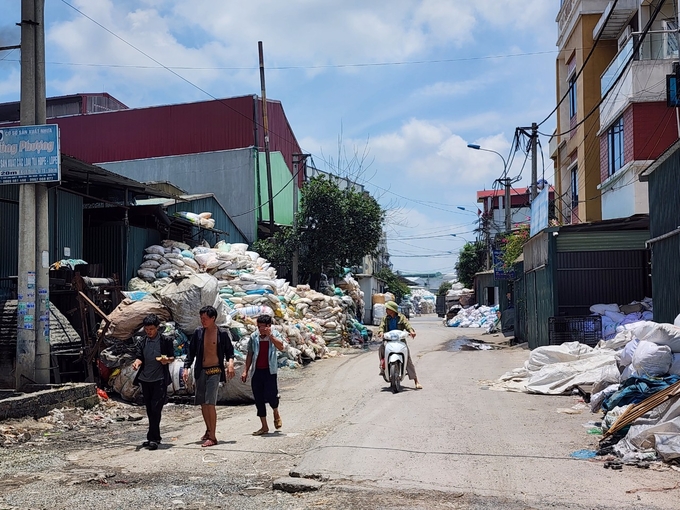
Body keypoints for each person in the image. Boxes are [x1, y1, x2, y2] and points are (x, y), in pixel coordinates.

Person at [182, 305, 236, 447]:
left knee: (210, 403)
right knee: (203, 403)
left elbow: (230, 353)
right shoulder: (198, 333)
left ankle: (212, 437)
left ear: (213, 318)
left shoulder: (222, 334)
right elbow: (191, 352)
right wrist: (186, 368)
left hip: (215, 371)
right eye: (201, 318)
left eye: (205, 318)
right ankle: (208, 429)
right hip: (201, 371)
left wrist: (230, 364)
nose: (202, 321)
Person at [131, 314, 175, 450]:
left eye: (151, 329)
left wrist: (166, 360)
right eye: (147, 329)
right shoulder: (142, 342)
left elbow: (172, 357)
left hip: (160, 379)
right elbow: (139, 357)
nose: (149, 331)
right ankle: (154, 437)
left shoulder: (165, 340)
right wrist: (136, 363)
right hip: (145, 379)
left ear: (157, 328)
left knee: (156, 408)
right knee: (150, 409)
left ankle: (153, 438)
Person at [240, 314, 285, 436]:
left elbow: (281, 347)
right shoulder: (254, 337)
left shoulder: (274, 335)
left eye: (263, 327)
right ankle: (264, 426)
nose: (260, 329)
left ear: (269, 326)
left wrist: (270, 336)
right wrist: (245, 370)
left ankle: (275, 412)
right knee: (258, 398)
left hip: (270, 371)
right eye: (258, 327)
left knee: (271, 396)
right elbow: (250, 354)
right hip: (257, 372)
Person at [377, 300, 422, 390]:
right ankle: (383, 368)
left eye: (388, 308)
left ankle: (416, 381)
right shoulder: (385, 318)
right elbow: (381, 326)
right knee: (381, 350)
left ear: (392, 310)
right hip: (388, 340)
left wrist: (411, 331)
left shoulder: (401, 318)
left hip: (400, 341)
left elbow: (407, 325)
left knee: (408, 359)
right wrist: (381, 332)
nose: (386, 310)